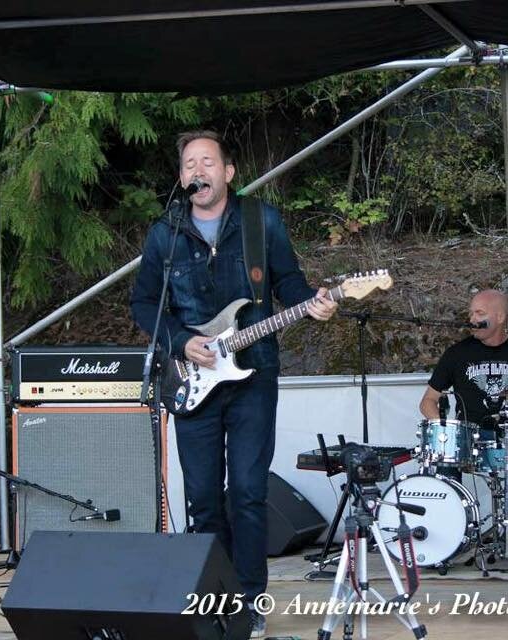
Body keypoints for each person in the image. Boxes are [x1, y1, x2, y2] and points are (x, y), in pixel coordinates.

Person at [130, 130, 337, 638]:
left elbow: (287, 281)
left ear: (228, 171)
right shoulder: (165, 232)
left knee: (246, 491)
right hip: (191, 378)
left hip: (254, 373)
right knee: (202, 497)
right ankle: (212, 602)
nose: (197, 170)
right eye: (188, 164)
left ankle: (249, 602)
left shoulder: (259, 221)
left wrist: (314, 300)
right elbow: (143, 304)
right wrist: (181, 342)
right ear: (181, 178)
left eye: (207, 161)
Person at [419, 289, 508, 529]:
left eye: (480, 313)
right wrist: (446, 432)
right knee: (444, 458)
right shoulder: (457, 353)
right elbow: (427, 402)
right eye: (471, 313)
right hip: (471, 433)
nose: (472, 319)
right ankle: (450, 532)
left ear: (500, 317)